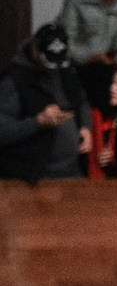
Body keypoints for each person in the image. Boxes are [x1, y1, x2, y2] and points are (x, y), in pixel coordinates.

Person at [0, 26, 88, 184]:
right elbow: (3, 130)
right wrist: (38, 121)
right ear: (35, 50)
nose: (55, 68)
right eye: (50, 61)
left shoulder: (67, 69)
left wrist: (86, 126)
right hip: (33, 178)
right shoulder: (14, 81)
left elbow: (81, 101)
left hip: (72, 172)